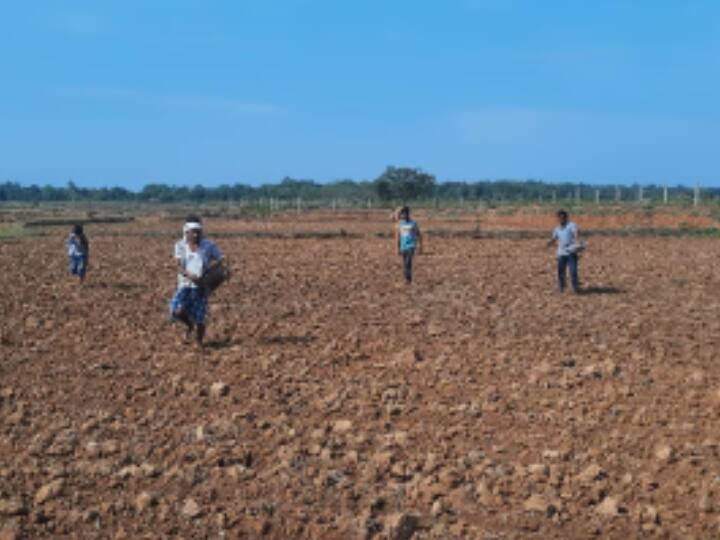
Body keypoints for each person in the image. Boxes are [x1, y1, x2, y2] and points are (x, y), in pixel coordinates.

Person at [169, 215, 225, 346]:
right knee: (176, 310)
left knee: (200, 317)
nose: (195, 235)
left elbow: (222, 258)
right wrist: (188, 275)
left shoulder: (208, 245)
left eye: (198, 232)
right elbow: (178, 264)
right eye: (192, 232)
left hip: (201, 286)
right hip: (184, 284)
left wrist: (211, 270)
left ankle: (199, 342)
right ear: (186, 232)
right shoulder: (180, 246)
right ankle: (189, 325)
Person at [547, 210, 581, 293]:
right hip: (561, 253)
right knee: (561, 271)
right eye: (559, 218)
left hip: (571, 252)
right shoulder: (557, 229)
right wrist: (549, 243)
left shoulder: (571, 225)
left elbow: (576, 234)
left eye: (562, 218)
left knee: (573, 271)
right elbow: (554, 238)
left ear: (566, 218)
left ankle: (575, 287)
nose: (561, 219)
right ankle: (561, 287)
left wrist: (577, 243)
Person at [395, 206, 422, 284]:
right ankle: (407, 277)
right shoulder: (400, 224)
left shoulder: (413, 223)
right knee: (405, 263)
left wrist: (420, 246)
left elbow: (418, 234)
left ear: (407, 214)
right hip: (403, 246)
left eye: (404, 214)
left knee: (408, 262)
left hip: (411, 245)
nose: (403, 216)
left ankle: (408, 279)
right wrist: (397, 247)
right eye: (402, 214)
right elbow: (398, 236)